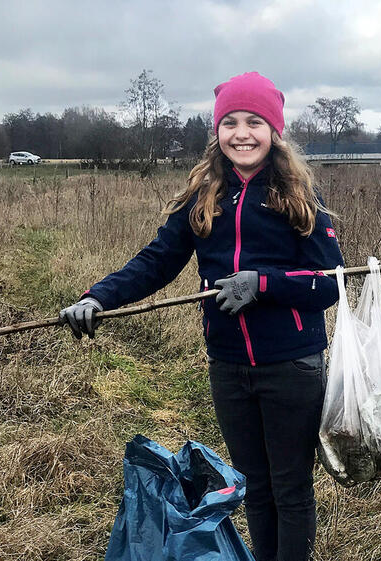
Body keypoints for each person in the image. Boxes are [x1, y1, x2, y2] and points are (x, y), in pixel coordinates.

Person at [59, 71, 344, 561]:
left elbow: (329, 282)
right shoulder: (202, 198)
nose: (241, 133)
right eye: (229, 122)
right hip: (229, 367)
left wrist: (263, 283)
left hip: (292, 367)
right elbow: (155, 261)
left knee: (290, 489)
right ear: (217, 132)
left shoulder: (300, 199)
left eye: (253, 122)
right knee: (254, 486)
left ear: (273, 131)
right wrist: (98, 298)